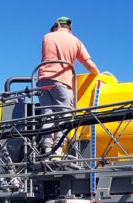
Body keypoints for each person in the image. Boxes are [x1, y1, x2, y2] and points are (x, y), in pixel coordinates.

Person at [38, 16, 100, 157]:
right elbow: (88, 63)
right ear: (69, 28)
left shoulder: (47, 37)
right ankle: (58, 152)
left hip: (43, 80)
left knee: (47, 116)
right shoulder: (75, 41)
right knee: (64, 116)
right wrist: (98, 74)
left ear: (57, 25)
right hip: (62, 81)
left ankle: (46, 150)